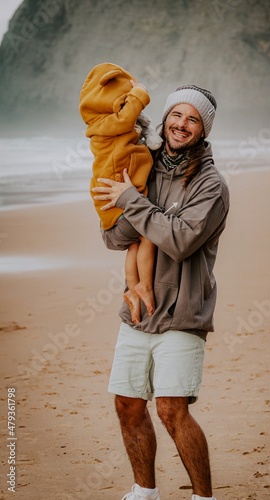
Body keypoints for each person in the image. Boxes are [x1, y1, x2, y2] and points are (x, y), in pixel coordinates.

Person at [92, 84, 230, 500]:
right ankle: (144, 491)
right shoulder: (143, 167)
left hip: (184, 311)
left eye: (192, 119)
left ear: (203, 129)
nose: (181, 124)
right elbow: (115, 239)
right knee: (127, 404)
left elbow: (182, 240)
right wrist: (128, 206)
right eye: (176, 115)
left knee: (172, 410)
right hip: (137, 311)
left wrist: (134, 203)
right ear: (166, 118)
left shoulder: (211, 185)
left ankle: (203, 497)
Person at [79, 62, 162, 324]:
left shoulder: (103, 125)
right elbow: (128, 117)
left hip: (113, 209)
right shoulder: (111, 123)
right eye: (124, 98)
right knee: (150, 232)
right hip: (118, 208)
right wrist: (140, 93)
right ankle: (144, 286)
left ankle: (132, 290)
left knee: (135, 244)